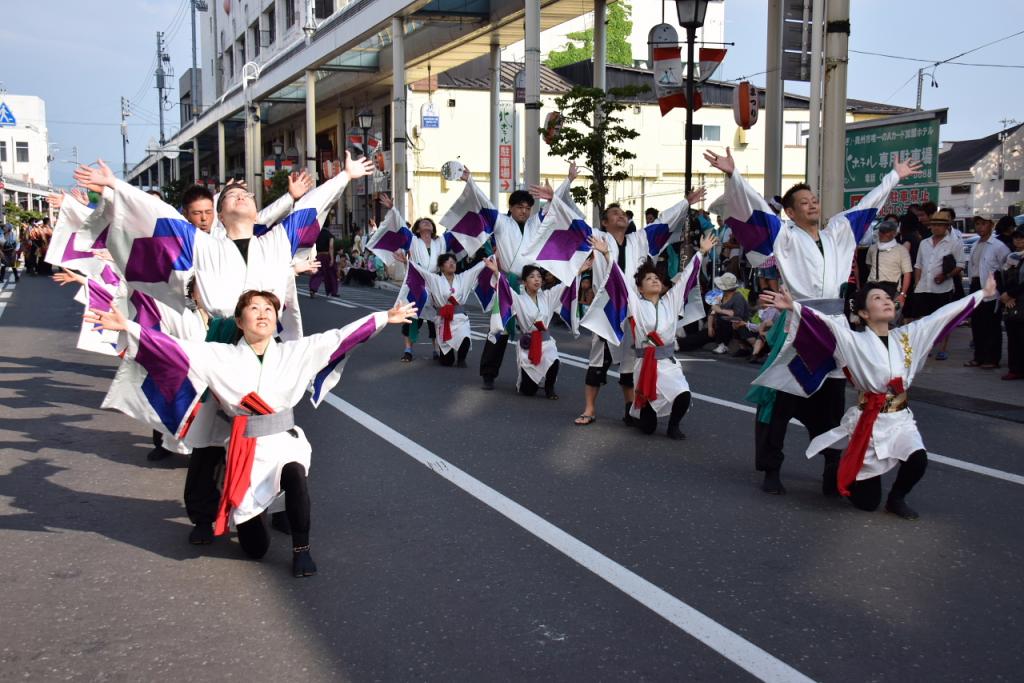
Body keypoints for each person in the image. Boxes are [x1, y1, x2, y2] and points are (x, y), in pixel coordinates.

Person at [86, 290, 416, 576]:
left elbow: (341, 337)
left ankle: (302, 550)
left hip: (285, 440)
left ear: (276, 321)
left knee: (295, 475)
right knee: (255, 547)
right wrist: (128, 326)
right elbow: (172, 349)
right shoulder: (219, 356)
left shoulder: (295, 352)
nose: (263, 314)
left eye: (269, 310)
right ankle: (248, 522)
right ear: (240, 322)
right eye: (254, 309)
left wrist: (385, 317)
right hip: (245, 448)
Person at [704, 145, 923, 495]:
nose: (812, 203)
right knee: (780, 404)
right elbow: (756, 210)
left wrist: (893, 177)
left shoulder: (840, 232)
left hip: (834, 331)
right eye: (803, 201)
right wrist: (734, 175)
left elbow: (868, 205)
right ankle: (771, 469)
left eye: (814, 198)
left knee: (832, 409)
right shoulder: (783, 235)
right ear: (790, 212)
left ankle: (832, 475)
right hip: (800, 327)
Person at [761, 275, 997, 520]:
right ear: (863, 313)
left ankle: (897, 498)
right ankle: (842, 472)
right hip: (870, 422)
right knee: (867, 503)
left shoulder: (907, 337)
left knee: (918, 459)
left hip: (900, 418)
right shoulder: (853, 340)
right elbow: (824, 325)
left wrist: (982, 294)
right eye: (877, 298)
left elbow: (941, 316)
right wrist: (793, 307)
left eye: (888, 298)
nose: (886, 301)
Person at [567, 189, 705, 426]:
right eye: (615, 213)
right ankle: (589, 408)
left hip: (635, 309)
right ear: (604, 221)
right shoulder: (596, 236)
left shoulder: (639, 239)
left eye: (623, 213)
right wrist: (559, 196)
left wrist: (685, 203)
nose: (621, 216)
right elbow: (573, 220)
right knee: (598, 361)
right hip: (609, 309)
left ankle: (630, 408)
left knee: (632, 361)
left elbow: (664, 222)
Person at [447, 165, 577, 391]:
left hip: (532, 283)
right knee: (499, 328)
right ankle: (489, 374)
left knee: (536, 327)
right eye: (519, 207)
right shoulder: (500, 222)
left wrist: (568, 181)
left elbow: (555, 207)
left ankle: (534, 373)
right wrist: (470, 181)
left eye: (528, 207)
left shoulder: (537, 222)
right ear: (511, 207)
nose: (524, 211)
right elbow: (484, 203)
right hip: (507, 283)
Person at [588, 232, 714, 438]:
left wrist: (701, 252)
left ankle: (674, 426)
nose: (654, 281)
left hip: (667, 362)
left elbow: (686, 279)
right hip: (645, 363)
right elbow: (619, 279)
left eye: (657, 278)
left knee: (683, 393)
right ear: (640, 287)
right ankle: (642, 412)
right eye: (649, 279)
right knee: (648, 427)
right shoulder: (636, 304)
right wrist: (608, 254)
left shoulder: (671, 302)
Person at [484, 259, 582, 399]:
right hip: (529, 344)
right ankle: (530, 381)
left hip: (546, 342)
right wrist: (496, 271)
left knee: (553, 359)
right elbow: (505, 288)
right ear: (524, 282)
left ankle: (550, 387)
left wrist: (579, 270)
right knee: (529, 391)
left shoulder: (548, 296)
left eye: (539, 277)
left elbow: (565, 285)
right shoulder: (519, 299)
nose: (537, 280)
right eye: (532, 277)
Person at [398, 251, 489, 367]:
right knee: (447, 361)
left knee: (465, 337)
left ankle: (462, 359)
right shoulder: (435, 279)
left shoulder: (463, 278)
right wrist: (407, 261)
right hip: (443, 319)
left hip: (460, 318)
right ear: (441, 267)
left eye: (453, 261)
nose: (451, 264)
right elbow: (421, 272)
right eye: (447, 262)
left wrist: (491, 259)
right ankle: (445, 355)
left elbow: (476, 269)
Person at [911, 209, 966, 360]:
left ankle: (942, 348)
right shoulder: (924, 243)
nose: (936, 227)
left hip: (943, 287)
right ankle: (926, 347)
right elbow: (918, 265)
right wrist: (917, 283)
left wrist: (946, 275)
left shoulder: (954, 243)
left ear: (947, 226)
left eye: (939, 225)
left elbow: (961, 265)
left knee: (943, 319)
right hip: (924, 286)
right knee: (923, 319)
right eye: (934, 224)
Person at [964, 215, 1010, 368]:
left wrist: (1002, 290)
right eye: (977, 224)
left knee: (992, 325)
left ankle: (992, 359)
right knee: (977, 324)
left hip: (992, 287)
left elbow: (1006, 268)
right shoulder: (976, 244)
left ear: (991, 225)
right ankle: (979, 356)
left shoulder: (998, 246)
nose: (980, 227)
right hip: (976, 285)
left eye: (983, 224)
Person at [864, 218, 913, 311]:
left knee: (890, 320)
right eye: (881, 231)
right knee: (871, 318)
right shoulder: (873, 248)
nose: (882, 234)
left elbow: (907, 273)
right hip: (872, 288)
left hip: (892, 290)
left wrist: (903, 294)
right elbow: (869, 265)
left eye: (886, 232)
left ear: (894, 234)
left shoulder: (901, 250)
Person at [998, 228, 1024, 380]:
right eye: (1016, 238)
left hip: (1019, 300)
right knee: (1013, 337)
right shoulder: (1010, 258)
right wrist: (1005, 295)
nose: (1018, 241)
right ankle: (1014, 369)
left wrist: (1010, 294)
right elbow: (1001, 277)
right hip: (1010, 303)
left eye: (1022, 238)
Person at [309, 225, 338, 298]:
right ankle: (332, 291)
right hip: (327, 255)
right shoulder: (330, 235)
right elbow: (331, 247)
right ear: (329, 226)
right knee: (331, 274)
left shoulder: (317, 234)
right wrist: (331, 258)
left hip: (319, 255)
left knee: (318, 272)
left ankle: (313, 288)